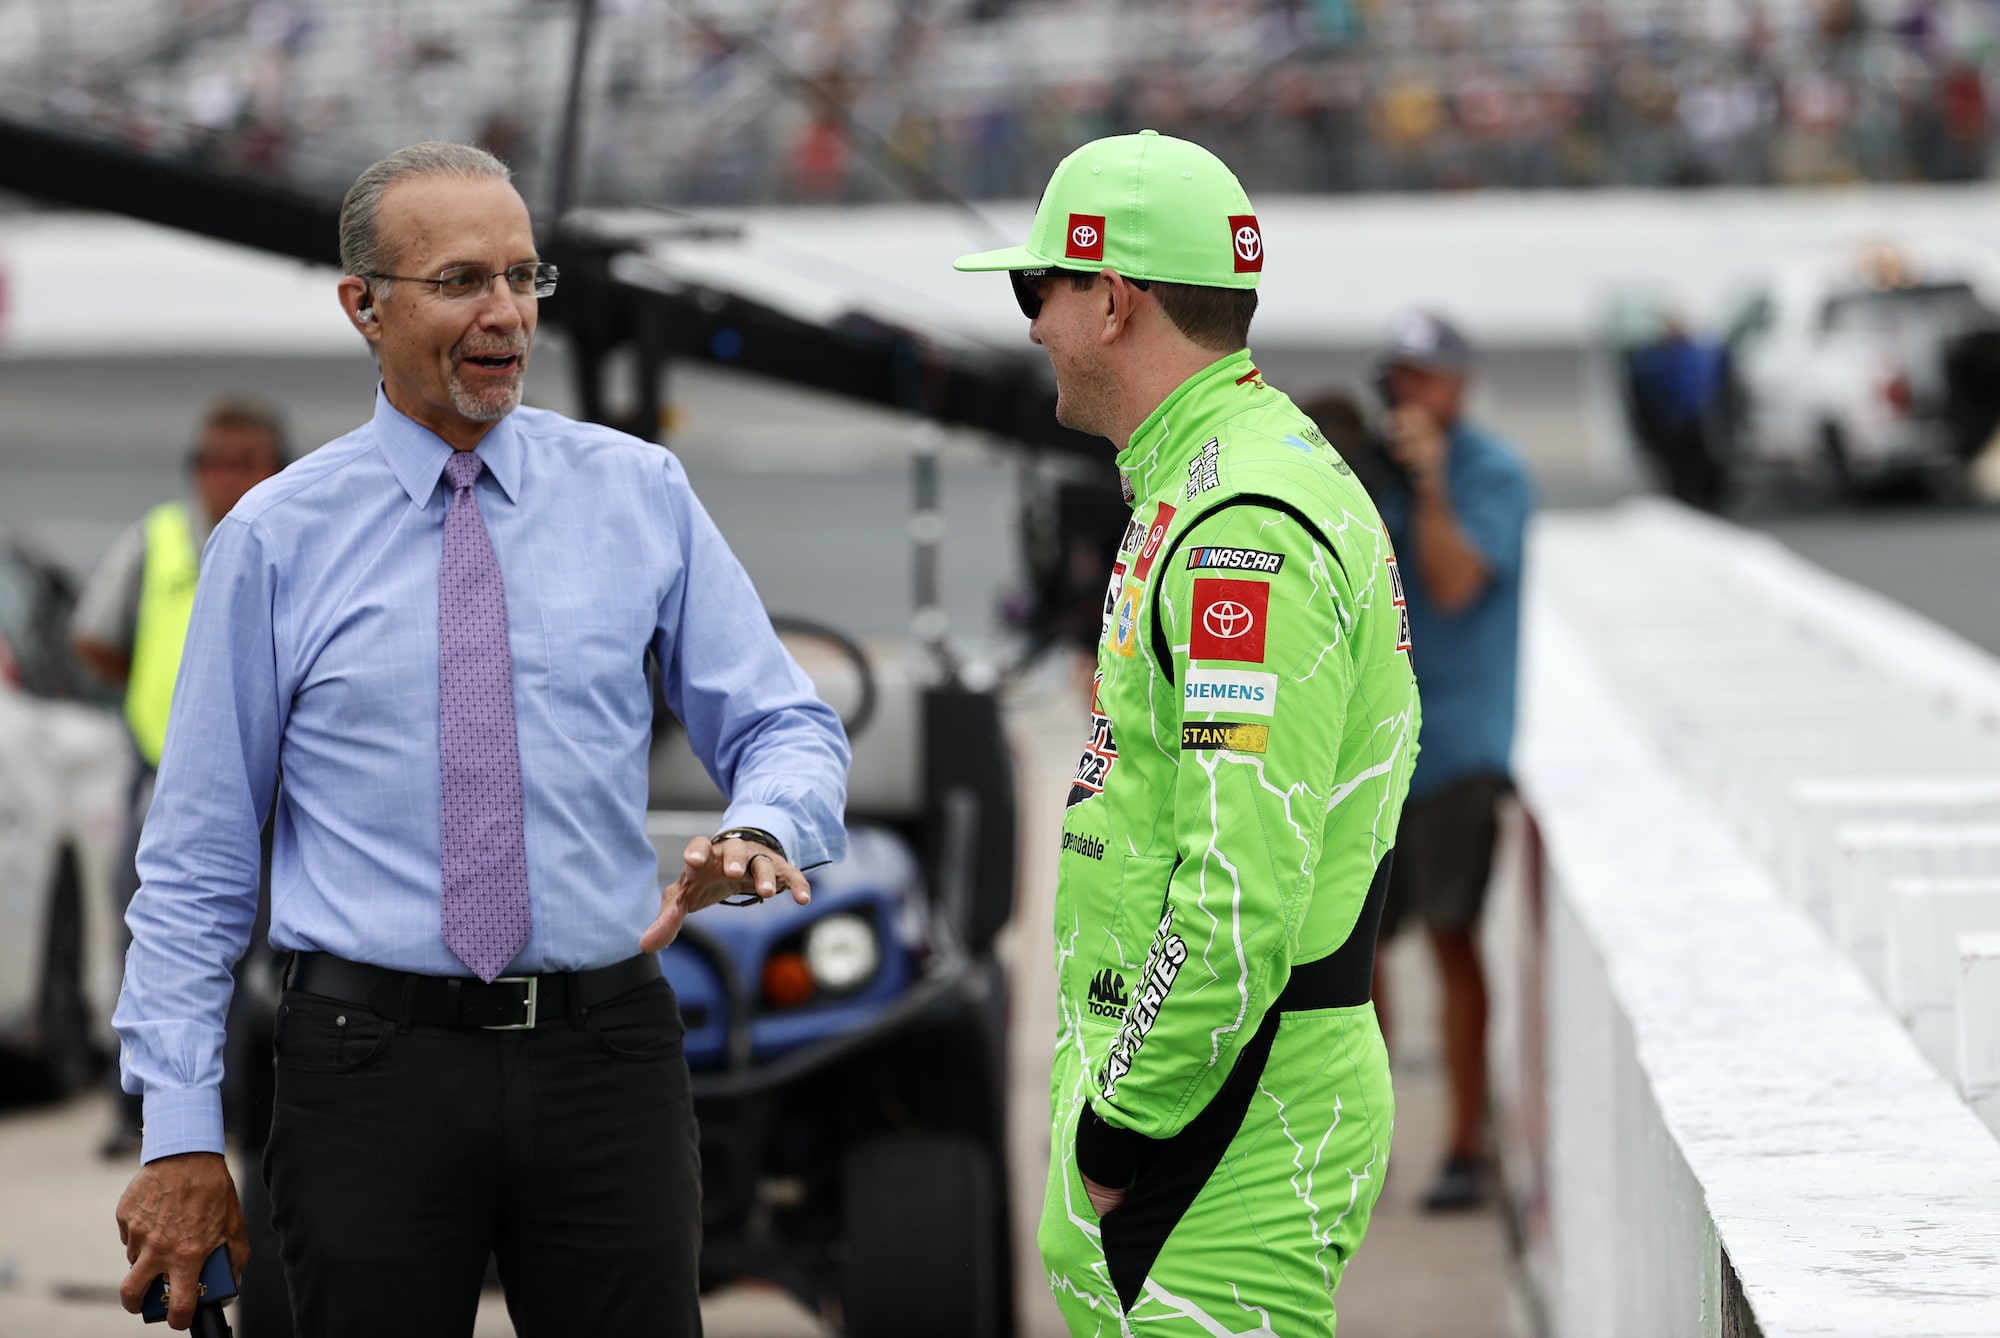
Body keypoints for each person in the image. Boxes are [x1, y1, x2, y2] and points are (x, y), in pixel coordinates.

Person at [109, 141, 850, 1336]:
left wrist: (763, 821)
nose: (505, 312)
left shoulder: (638, 494)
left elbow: (782, 721)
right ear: (363, 306)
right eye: (460, 281)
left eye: (522, 275)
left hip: (606, 1056)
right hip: (365, 1072)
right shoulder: (274, 540)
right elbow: (195, 863)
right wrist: (181, 1133)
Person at [954, 130, 1421, 1335]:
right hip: (1214, 1107)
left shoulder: (1239, 526)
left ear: (1108, 300)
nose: (1028, 324)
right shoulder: (1207, 478)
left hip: (1221, 1117)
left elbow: (1234, 891)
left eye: (1034, 288)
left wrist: (1123, 1129)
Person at [71, 394, 288, 1157]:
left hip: (265, 787)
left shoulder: (293, 535)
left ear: (275, 466)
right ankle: (141, 1107)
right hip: (163, 774)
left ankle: (235, 1106)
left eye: (244, 460)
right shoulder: (159, 540)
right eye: (212, 460)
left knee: (255, 949)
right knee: (155, 934)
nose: (224, 476)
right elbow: (94, 637)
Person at [1364, 311, 1533, 1212]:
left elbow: (1456, 583)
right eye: (1399, 377)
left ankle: (1466, 1141)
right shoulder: (1373, 473)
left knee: (1451, 938)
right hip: (1375, 747)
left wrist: (1430, 487)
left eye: (1425, 377)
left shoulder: (1494, 473)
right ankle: (1368, 1138)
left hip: (1461, 744)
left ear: (1459, 384)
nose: (1411, 394)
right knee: (1360, 957)